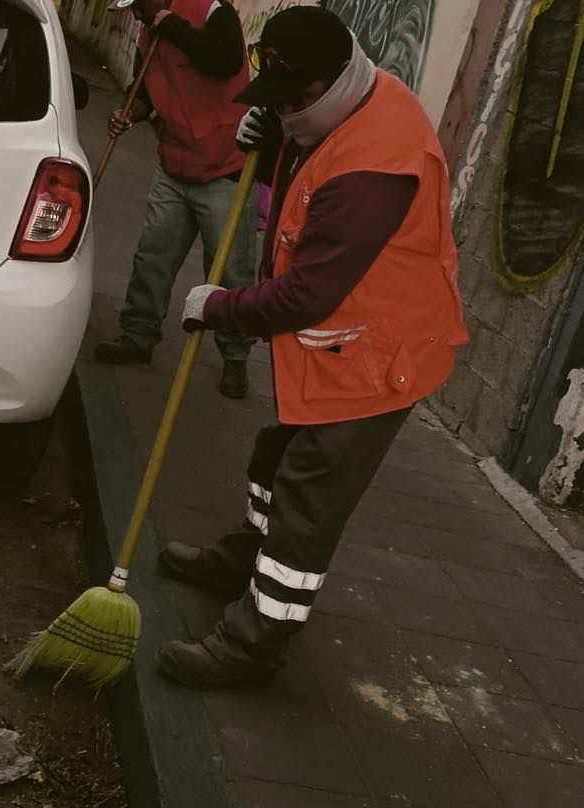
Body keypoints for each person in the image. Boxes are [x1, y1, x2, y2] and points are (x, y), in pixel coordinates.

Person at [156, 5, 469, 688]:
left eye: (293, 103)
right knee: (276, 459)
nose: (288, 111)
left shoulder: (376, 169)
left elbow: (306, 296)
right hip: (337, 346)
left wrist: (220, 308)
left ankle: (252, 646)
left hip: (376, 357)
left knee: (307, 502)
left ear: (330, 85)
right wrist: (274, 149)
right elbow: (307, 183)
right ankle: (245, 556)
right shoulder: (351, 102)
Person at [95, 0, 257, 399]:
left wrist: (172, 27)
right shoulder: (149, 33)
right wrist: (129, 113)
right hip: (174, 164)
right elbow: (146, 92)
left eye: (137, 6)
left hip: (225, 167)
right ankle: (138, 334)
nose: (133, 15)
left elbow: (222, 59)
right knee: (153, 255)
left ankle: (235, 357)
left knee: (229, 272)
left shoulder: (209, 10)